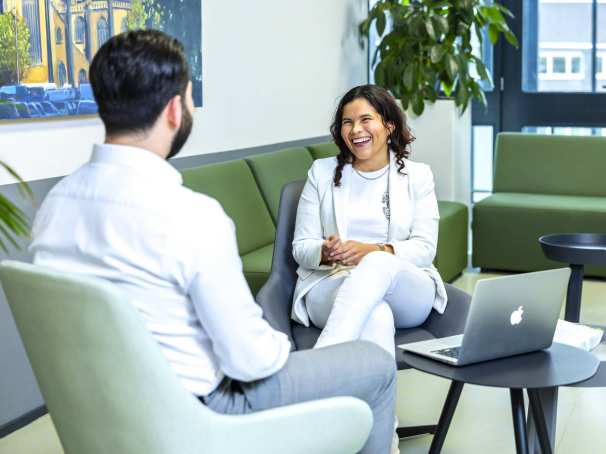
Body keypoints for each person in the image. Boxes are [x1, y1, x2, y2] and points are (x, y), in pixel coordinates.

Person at [29, 31, 396, 454]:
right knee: (376, 365)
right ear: (174, 110)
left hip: (103, 412)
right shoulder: (191, 215)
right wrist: (280, 341)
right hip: (204, 412)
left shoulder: (54, 208)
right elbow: (252, 361)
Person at [292, 84, 448, 359]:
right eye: (347, 123)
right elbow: (301, 247)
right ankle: (373, 403)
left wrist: (375, 251)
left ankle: (320, 361)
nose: (355, 130)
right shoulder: (321, 172)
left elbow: (425, 249)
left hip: (406, 291)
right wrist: (325, 253)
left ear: (388, 126)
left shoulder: (418, 176)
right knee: (376, 316)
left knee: (377, 262)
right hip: (332, 283)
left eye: (366, 120)